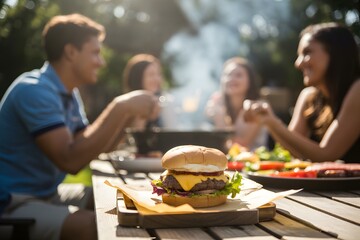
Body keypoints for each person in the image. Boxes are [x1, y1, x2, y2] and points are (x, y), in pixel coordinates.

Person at [0, 14, 158, 240]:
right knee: (102, 228)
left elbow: (94, 146)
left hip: (46, 194)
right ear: (71, 52)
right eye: (95, 52)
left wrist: (128, 116)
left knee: (120, 199)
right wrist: (119, 107)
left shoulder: (68, 92)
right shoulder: (33, 90)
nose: (101, 61)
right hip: (11, 204)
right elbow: (71, 160)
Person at [243, 22, 360, 163]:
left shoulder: (357, 89)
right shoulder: (309, 96)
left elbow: (326, 154)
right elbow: (289, 152)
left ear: (336, 53)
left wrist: (273, 123)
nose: (298, 63)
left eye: (307, 52)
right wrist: (267, 120)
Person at [205, 57, 268, 150]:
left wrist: (219, 118)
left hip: (254, 161)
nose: (231, 79)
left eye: (238, 75)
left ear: (250, 80)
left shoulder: (257, 106)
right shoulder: (218, 103)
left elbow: (240, 146)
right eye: (227, 75)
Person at [122, 54, 164, 130]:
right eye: (151, 75)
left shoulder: (159, 103)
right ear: (138, 78)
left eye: (158, 74)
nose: (157, 79)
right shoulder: (131, 106)